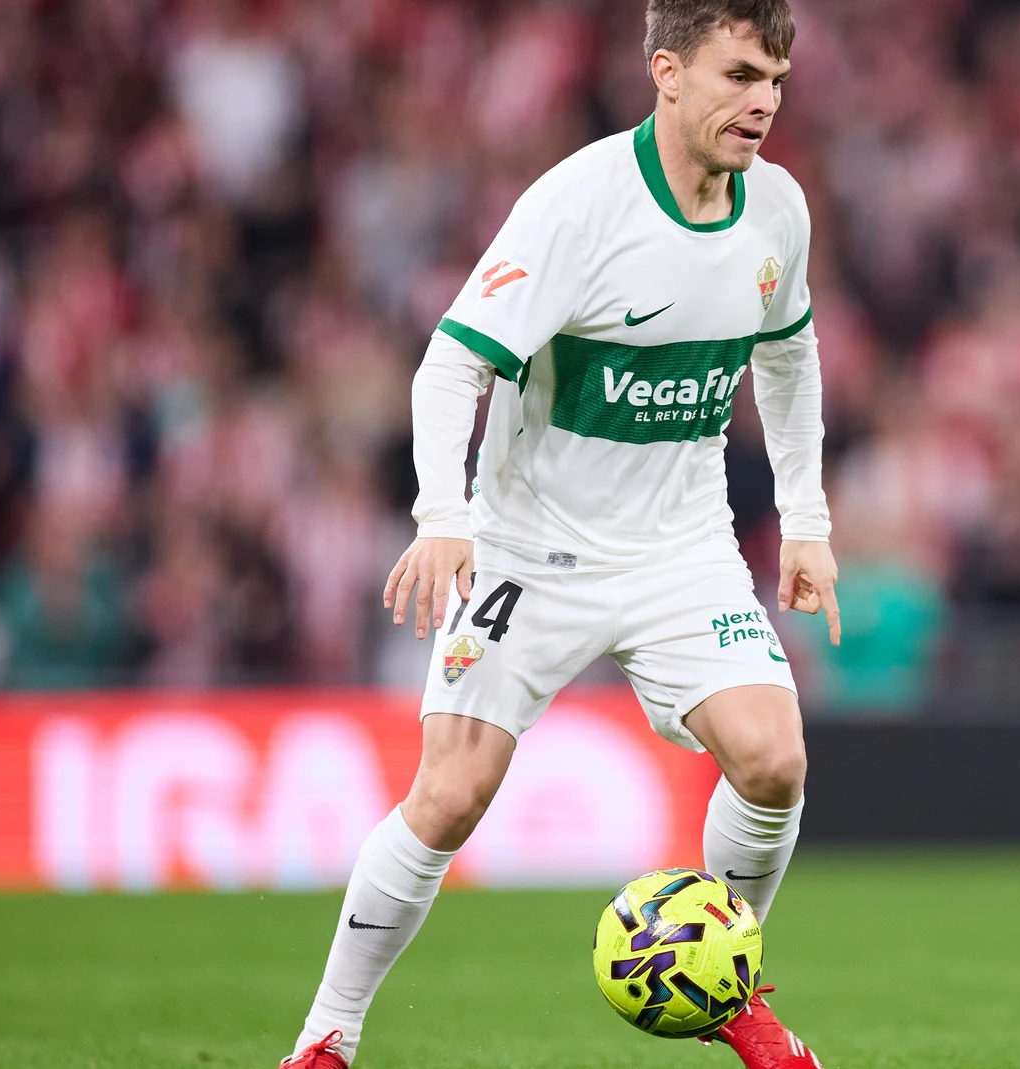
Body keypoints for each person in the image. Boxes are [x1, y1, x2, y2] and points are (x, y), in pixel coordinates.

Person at [283, 2, 834, 1065]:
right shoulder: (577, 207)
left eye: (774, 80)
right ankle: (326, 1037)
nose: (762, 102)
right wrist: (443, 515)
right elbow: (453, 362)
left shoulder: (777, 208)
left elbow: (789, 356)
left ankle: (730, 993)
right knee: (449, 795)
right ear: (666, 72)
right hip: (531, 550)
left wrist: (805, 518)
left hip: (680, 550)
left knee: (773, 762)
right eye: (738, 75)